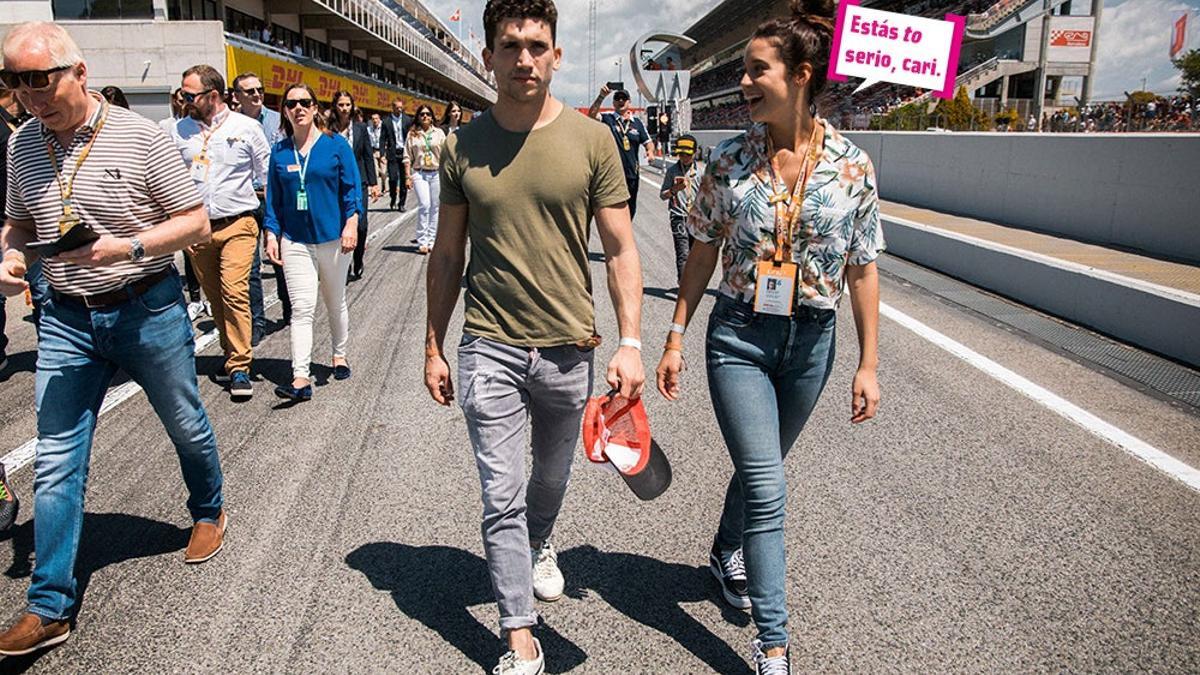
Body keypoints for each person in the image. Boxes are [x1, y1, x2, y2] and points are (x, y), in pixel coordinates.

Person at [654, 2, 883, 672]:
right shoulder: (727, 161)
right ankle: (774, 644)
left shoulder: (852, 166)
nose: (744, 82)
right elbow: (700, 252)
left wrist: (869, 362)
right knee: (768, 484)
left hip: (812, 342)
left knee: (761, 478)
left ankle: (726, 548)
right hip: (740, 339)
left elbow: (863, 267)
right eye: (743, 71)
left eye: (757, 70)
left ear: (801, 75)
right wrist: (673, 337)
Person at [424, 1, 644, 673]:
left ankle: (540, 540)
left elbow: (621, 247)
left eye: (537, 45)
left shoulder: (592, 141)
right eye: (511, 45)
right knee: (500, 492)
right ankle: (520, 635)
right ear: (489, 54)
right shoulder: (461, 145)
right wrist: (434, 344)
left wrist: (631, 340)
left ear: (557, 55)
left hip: (567, 347)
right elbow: (447, 252)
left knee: (548, 479)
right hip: (487, 343)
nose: (524, 58)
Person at [0, 22, 227, 654]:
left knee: (184, 421)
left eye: (39, 79)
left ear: (78, 71)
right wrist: (10, 257)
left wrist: (124, 245)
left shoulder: (140, 135)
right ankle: (50, 604)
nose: (28, 94)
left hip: (145, 307)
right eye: (14, 81)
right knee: (56, 456)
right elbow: (18, 226)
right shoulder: (22, 146)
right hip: (66, 316)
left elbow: (196, 222)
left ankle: (208, 508)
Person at [170, 64, 270, 401]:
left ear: (212, 95)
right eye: (182, 94)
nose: (183, 99)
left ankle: (240, 365)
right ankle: (232, 354)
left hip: (239, 223)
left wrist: (275, 226)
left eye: (190, 94)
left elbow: (267, 175)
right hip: (197, 231)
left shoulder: (247, 127)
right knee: (215, 299)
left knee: (234, 291)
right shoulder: (178, 130)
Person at [263, 83, 360, 402]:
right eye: (291, 104)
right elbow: (274, 200)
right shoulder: (279, 151)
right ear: (284, 111)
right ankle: (301, 378)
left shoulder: (335, 146)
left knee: (335, 302)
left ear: (316, 107)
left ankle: (339, 354)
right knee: (301, 309)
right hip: (295, 241)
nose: (298, 108)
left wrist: (352, 222)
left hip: (334, 238)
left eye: (305, 102)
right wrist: (271, 232)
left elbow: (351, 189)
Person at [232, 71, 290, 342]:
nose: (257, 95)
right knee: (251, 266)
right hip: (244, 201)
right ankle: (256, 321)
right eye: (250, 91)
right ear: (237, 97)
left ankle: (289, 305)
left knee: (280, 258)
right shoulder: (231, 126)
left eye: (259, 89)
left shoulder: (279, 121)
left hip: (275, 198)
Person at [327, 90, 379, 281]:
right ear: (335, 106)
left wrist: (374, 183)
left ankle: (358, 258)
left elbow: (367, 156)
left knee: (361, 225)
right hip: (336, 182)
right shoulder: (328, 128)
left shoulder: (360, 128)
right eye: (341, 105)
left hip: (360, 181)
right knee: (342, 224)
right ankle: (344, 263)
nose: (344, 108)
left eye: (347, 105)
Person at [587, 86, 656, 219]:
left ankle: (625, 232)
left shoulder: (637, 122)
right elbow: (591, 115)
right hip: (611, 173)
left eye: (623, 98)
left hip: (631, 173)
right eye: (617, 98)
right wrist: (601, 96)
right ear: (613, 103)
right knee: (612, 208)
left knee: (630, 209)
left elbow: (648, 142)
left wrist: (650, 152)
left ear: (629, 102)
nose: (620, 101)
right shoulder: (608, 118)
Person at [657, 133, 703, 282]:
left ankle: (693, 285)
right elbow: (663, 195)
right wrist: (674, 189)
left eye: (687, 154)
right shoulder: (672, 171)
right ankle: (683, 285)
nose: (683, 157)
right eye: (681, 154)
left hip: (697, 218)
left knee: (696, 255)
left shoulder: (702, 172)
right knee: (683, 253)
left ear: (695, 153)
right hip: (679, 217)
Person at [404, 103, 445, 254]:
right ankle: (421, 240)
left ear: (432, 117)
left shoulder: (439, 133)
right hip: (419, 172)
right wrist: (408, 176)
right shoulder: (412, 133)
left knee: (435, 207)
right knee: (424, 205)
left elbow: (446, 154)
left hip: (436, 172)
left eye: (428, 114)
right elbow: (407, 156)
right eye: (422, 114)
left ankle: (432, 240)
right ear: (418, 117)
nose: (425, 117)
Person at [378, 97, 411, 211]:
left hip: (404, 152)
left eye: (401, 108)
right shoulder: (386, 122)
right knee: (392, 178)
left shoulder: (407, 120)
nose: (400, 110)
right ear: (392, 108)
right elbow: (382, 139)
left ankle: (402, 203)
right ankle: (393, 198)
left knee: (403, 179)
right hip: (392, 153)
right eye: (397, 108)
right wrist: (382, 154)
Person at [368, 112, 386, 194]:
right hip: (374, 151)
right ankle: (377, 189)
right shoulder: (369, 129)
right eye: (373, 119)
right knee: (375, 171)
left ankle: (384, 186)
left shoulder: (384, 127)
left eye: (376, 118)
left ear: (379, 119)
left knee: (383, 171)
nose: (375, 120)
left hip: (383, 151)